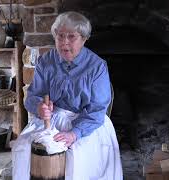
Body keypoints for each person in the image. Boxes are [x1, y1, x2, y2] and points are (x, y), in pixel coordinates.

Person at [11, 11, 123, 180]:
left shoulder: (97, 66)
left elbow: (97, 109)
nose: (64, 42)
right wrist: (39, 107)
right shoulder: (46, 61)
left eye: (72, 37)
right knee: (24, 147)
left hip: (87, 123)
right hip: (52, 120)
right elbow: (33, 96)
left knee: (76, 156)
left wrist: (75, 133)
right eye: (60, 36)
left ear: (84, 39)